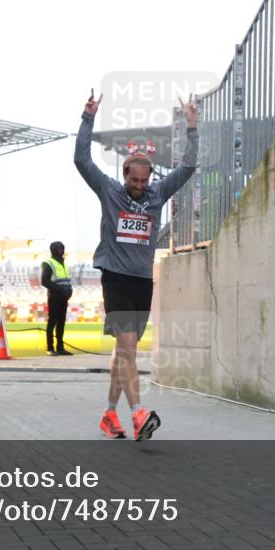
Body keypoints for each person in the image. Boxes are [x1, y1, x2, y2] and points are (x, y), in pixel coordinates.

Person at [75, 88, 200, 440]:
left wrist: (192, 127)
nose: (139, 187)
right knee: (128, 350)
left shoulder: (158, 193)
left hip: (143, 282)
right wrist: (88, 118)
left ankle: (109, 415)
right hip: (115, 279)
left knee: (122, 353)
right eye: (134, 180)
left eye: (144, 182)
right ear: (125, 172)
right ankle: (138, 414)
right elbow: (82, 161)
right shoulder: (109, 190)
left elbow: (189, 166)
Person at [41, 240, 73, 355]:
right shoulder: (49, 263)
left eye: (62, 248)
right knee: (52, 322)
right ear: (53, 249)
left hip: (64, 297)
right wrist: (60, 289)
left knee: (61, 322)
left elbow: (66, 280)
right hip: (54, 296)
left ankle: (60, 347)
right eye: (59, 248)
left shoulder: (64, 263)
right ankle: (50, 348)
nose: (61, 250)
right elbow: (44, 281)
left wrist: (69, 290)